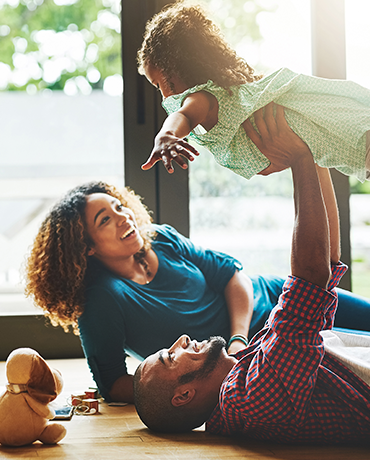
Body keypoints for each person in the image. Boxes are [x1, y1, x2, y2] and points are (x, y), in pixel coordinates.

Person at [133, 106, 370, 443]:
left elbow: (327, 265)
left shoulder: (247, 368)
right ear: (184, 396)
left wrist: (312, 153)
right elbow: (311, 279)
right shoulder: (252, 398)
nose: (181, 341)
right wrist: (299, 159)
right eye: (171, 356)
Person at [25, 178, 370, 405]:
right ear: (85, 248)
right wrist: (204, 387)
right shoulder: (102, 299)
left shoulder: (160, 237)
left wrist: (237, 339)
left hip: (276, 299)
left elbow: (234, 275)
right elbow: (113, 383)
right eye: (105, 220)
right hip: (267, 351)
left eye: (118, 206)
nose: (123, 217)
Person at [137, 2, 370, 181]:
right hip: (353, 142)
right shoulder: (234, 99)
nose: (165, 98)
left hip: (352, 129)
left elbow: (183, 116)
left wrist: (166, 136)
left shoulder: (205, 99)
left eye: (158, 85)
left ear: (176, 68)